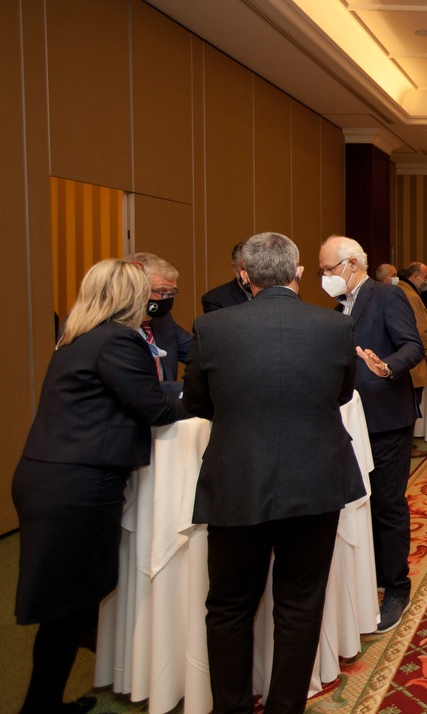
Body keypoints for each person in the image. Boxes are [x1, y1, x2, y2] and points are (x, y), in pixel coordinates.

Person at [183, 232, 364, 714]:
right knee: (300, 605)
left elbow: (198, 403)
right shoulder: (335, 327)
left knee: (229, 606)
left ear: (245, 275)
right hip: (315, 480)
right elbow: (342, 395)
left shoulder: (211, 327)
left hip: (237, 480)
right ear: (298, 272)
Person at [13, 259, 186, 714]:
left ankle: (44, 702)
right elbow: (155, 409)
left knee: (69, 603)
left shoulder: (79, 336)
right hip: (77, 486)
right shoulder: (118, 340)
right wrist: (200, 398)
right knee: (68, 606)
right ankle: (39, 707)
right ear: (131, 295)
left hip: (51, 477)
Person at [317, 236, 424, 633]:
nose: (324, 277)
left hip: (387, 417)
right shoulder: (339, 307)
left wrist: (388, 367)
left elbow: (413, 346)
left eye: (328, 269)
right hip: (350, 421)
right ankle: (372, 575)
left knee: (387, 503)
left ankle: (397, 587)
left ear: (351, 264)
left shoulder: (385, 295)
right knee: (360, 502)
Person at [127, 251, 192, 385]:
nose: (168, 297)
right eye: (162, 291)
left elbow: (198, 352)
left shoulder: (163, 320)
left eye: (172, 291)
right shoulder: (114, 329)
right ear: (136, 290)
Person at [398, 262, 427, 412]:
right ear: (415, 277)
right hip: (414, 358)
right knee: (412, 406)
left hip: (403, 358)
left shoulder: (400, 290)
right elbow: (421, 329)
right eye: (425, 277)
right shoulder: (411, 296)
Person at [200, 241, 252, 313]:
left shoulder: (268, 293)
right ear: (234, 268)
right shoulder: (215, 299)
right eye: (245, 268)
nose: (251, 273)